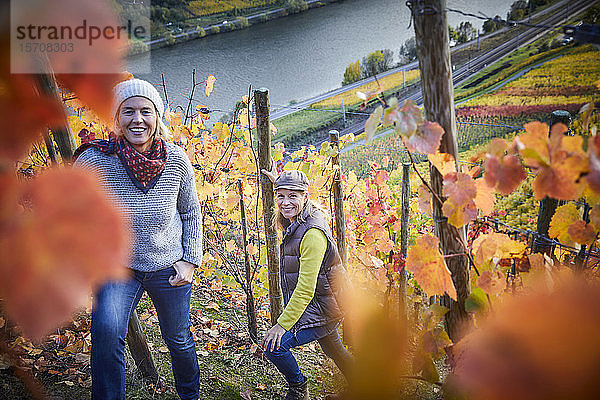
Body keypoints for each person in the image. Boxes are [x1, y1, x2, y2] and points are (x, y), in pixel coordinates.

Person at [74, 78, 202, 400]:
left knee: (179, 339)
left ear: (157, 117)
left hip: (168, 264)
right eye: (128, 111)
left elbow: (190, 212)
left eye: (146, 111)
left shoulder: (176, 159)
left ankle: (190, 395)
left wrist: (190, 259)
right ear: (116, 119)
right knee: (106, 331)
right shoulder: (95, 161)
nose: (137, 120)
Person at [261, 169, 353, 400]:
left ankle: (298, 387)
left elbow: (305, 288)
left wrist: (281, 326)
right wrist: (280, 182)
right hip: (325, 302)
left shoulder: (311, 233)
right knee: (335, 349)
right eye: (280, 196)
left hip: (322, 307)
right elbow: (289, 196)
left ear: (305, 195)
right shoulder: (304, 217)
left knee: (274, 346)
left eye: (293, 195)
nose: (285, 202)